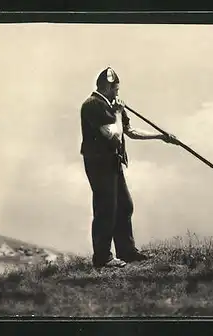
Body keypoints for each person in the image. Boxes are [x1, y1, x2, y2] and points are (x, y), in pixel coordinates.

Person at [80, 67, 179, 268]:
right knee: (106, 208)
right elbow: (113, 135)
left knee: (124, 206)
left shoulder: (114, 105)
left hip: (114, 162)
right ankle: (103, 258)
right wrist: (117, 113)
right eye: (116, 88)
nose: (118, 92)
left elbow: (129, 131)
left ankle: (126, 251)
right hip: (98, 163)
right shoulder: (92, 105)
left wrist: (160, 137)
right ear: (107, 87)